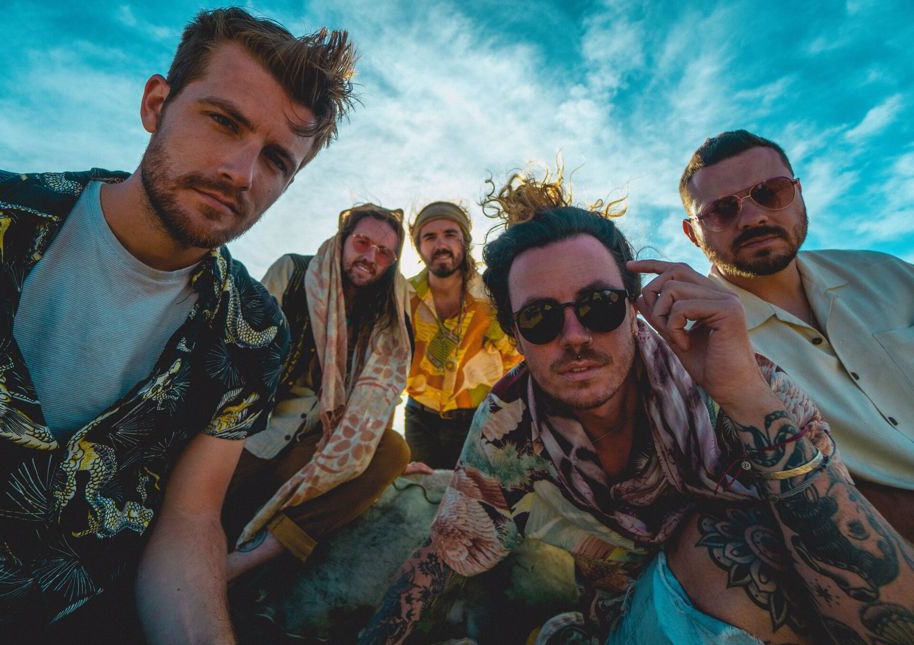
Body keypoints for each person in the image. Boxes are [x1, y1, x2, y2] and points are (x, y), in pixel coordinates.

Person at [360, 167, 914, 645]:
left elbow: (847, 537)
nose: (574, 335)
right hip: (639, 611)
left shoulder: (743, 381)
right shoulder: (507, 424)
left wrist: (744, 398)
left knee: (741, 538)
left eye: (598, 305)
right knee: (717, 545)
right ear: (514, 336)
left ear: (633, 307)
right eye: (541, 318)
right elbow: (444, 554)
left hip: (791, 599)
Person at [0, 7, 355, 643]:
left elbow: (189, 518)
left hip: (81, 616)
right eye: (223, 121)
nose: (240, 174)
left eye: (276, 160)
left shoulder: (252, 330)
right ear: (156, 104)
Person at [679, 129, 914, 541]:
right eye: (721, 210)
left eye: (771, 192)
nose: (752, 217)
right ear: (692, 233)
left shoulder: (888, 275)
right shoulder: (696, 356)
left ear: (799, 193)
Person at [222, 203, 412, 579]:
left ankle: (248, 563)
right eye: (362, 242)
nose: (370, 256)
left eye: (384, 252)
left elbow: (381, 396)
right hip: (252, 435)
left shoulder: (387, 316)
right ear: (343, 240)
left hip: (316, 446)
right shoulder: (294, 272)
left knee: (394, 450)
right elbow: (239, 355)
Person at [404, 201, 521, 469]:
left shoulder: (492, 296)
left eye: (450, 234)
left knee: (472, 501)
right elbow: (388, 361)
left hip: (478, 418)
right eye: (429, 237)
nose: (440, 244)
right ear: (419, 246)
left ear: (464, 241)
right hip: (419, 417)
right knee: (419, 497)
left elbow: (517, 360)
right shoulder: (404, 296)